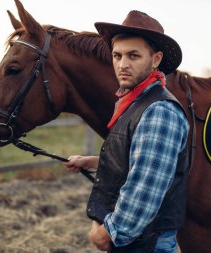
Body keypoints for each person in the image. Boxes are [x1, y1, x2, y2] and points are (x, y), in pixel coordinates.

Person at [64, 10, 190, 253]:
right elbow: (137, 162)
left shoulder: (159, 111)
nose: (122, 65)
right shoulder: (134, 102)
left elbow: (146, 188)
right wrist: (91, 161)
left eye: (134, 56)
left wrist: (110, 231)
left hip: (147, 244)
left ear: (155, 60)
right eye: (117, 55)